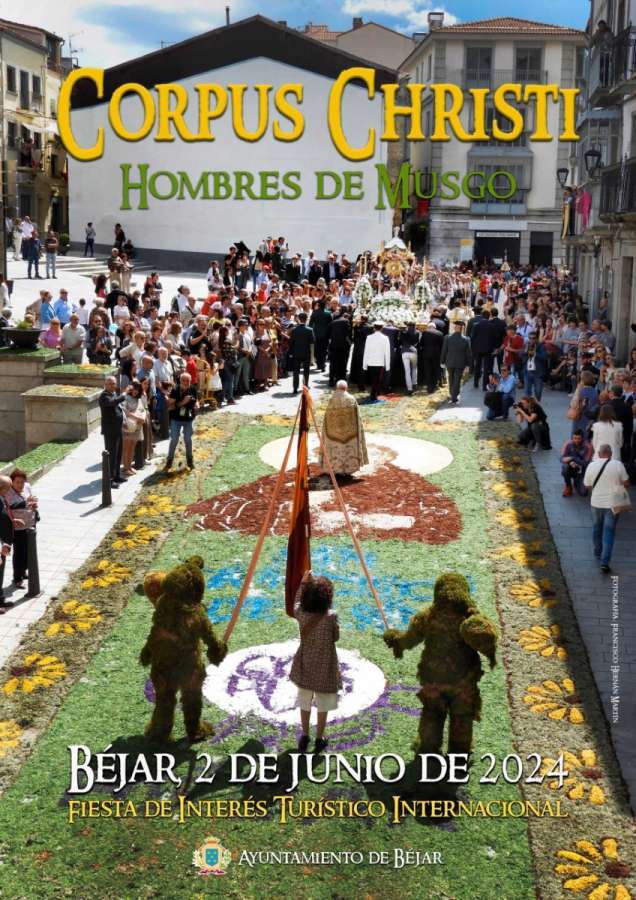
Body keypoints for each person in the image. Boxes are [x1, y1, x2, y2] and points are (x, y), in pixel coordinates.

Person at [289, 571, 342, 754]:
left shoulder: (301, 613)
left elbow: (295, 604)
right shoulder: (331, 616)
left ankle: (305, 734)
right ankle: (320, 738)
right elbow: (335, 637)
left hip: (305, 665)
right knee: (323, 704)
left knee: (304, 701)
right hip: (325, 667)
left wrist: (303, 583)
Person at [583, 444, 631, 573]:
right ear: (610, 454)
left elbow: (587, 486)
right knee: (609, 532)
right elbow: (627, 483)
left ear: (599, 454)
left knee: (596, 528)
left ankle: (597, 552)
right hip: (613, 504)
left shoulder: (591, 465)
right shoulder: (618, 465)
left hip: (596, 503)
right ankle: (605, 562)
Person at [319, 381, 369, 478]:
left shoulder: (332, 399)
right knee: (348, 448)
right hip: (349, 433)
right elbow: (357, 418)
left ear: (337, 388)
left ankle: (336, 469)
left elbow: (327, 417)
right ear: (346, 388)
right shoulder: (351, 399)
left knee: (335, 448)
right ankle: (349, 469)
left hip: (334, 432)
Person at [6, 469, 38, 588]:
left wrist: (33, 505)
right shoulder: (8, 491)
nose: (21, 485)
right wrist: (26, 503)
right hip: (18, 528)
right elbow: (11, 506)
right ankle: (17, 578)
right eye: (18, 482)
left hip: (30, 523)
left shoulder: (27, 487)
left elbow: (30, 499)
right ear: (12, 482)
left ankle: (24, 571)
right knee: (19, 553)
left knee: (29, 551)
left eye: (22, 482)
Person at [165, 372, 198, 471]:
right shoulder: (175, 390)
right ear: (180, 380)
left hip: (188, 419)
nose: (186, 382)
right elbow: (172, 405)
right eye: (184, 380)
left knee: (188, 439)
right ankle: (169, 459)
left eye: (188, 381)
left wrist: (196, 404)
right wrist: (184, 402)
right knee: (174, 439)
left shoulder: (192, 389)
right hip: (176, 418)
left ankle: (190, 459)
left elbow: (196, 400)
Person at [99, 376, 128, 487]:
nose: (112, 385)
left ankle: (116, 475)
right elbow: (112, 403)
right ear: (105, 384)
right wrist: (123, 396)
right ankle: (110, 480)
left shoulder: (114, 393)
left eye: (114, 383)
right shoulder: (104, 396)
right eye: (110, 383)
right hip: (110, 430)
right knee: (111, 455)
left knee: (118, 453)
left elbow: (118, 407)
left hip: (118, 428)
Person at [441, 319, 472, 404]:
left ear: (455, 328)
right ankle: (454, 396)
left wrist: (442, 361)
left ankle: (452, 395)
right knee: (457, 380)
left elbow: (444, 350)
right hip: (460, 362)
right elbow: (468, 353)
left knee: (451, 379)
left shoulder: (447, 337)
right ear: (462, 329)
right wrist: (469, 365)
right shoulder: (466, 339)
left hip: (449, 362)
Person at [121, 381, 147, 476]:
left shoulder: (139, 399)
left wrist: (142, 418)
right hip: (128, 426)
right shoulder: (126, 398)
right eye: (134, 389)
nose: (135, 391)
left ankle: (129, 466)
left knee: (132, 447)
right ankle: (125, 468)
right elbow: (124, 411)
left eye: (138, 390)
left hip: (137, 427)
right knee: (126, 448)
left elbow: (143, 409)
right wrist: (137, 417)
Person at [560, 429, 593, 497]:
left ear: (583, 438)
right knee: (565, 467)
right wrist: (570, 462)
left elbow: (586, 463)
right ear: (572, 437)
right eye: (575, 438)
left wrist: (573, 458)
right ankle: (568, 486)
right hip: (571, 468)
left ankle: (576, 482)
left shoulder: (588, 446)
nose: (576, 440)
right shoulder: (568, 444)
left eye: (579, 438)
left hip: (583, 471)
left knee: (583, 493)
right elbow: (562, 458)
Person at [288, 311, 314, 395]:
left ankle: (295, 388)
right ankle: (305, 385)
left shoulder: (294, 330)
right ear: (306, 319)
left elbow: (291, 342)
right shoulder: (310, 330)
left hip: (296, 353)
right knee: (306, 370)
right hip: (306, 352)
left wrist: (291, 352)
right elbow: (312, 341)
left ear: (299, 319)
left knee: (296, 371)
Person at [0, 475, 15, 613]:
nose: (10, 490)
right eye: (8, 487)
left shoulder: (2, 498)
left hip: (3, 543)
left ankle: (0, 598)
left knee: (0, 572)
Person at [400, 321, 419, 395]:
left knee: (407, 371)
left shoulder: (404, 332)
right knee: (414, 368)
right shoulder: (417, 332)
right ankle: (415, 383)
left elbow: (400, 341)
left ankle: (409, 388)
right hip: (413, 351)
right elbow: (417, 342)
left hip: (404, 351)